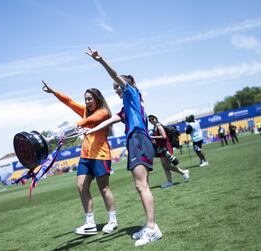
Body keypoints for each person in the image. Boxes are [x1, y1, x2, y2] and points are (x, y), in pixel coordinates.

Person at [85, 48, 162, 247]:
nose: (117, 90)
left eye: (118, 87)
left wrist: (101, 60)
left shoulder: (132, 92)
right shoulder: (127, 108)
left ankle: (152, 228)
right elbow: (111, 120)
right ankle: (151, 226)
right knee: (141, 185)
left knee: (141, 186)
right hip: (137, 141)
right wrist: (90, 131)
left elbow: (115, 75)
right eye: (115, 89)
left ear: (127, 84)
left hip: (138, 140)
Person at [42, 84, 118, 235]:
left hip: (100, 155)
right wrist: (54, 92)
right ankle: (90, 223)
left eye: (90, 99)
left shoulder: (103, 112)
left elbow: (88, 121)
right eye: (85, 99)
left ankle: (113, 220)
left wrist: (67, 129)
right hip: (85, 156)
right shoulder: (84, 112)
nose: (87, 101)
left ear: (97, 99)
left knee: (104, 188)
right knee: (81, 187)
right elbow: (70, 102)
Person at [148, 114, 190, 188]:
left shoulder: (159, 126)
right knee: (164, 166)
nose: (151, 121)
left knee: (168, 166)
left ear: (156, 118)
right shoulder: (155, 127)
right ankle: (169, 182)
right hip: (160, 148)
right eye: (150, 120)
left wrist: (153, 137)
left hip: (165, 148)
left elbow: (164, 136)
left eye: (152, 119)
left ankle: (184, 173)